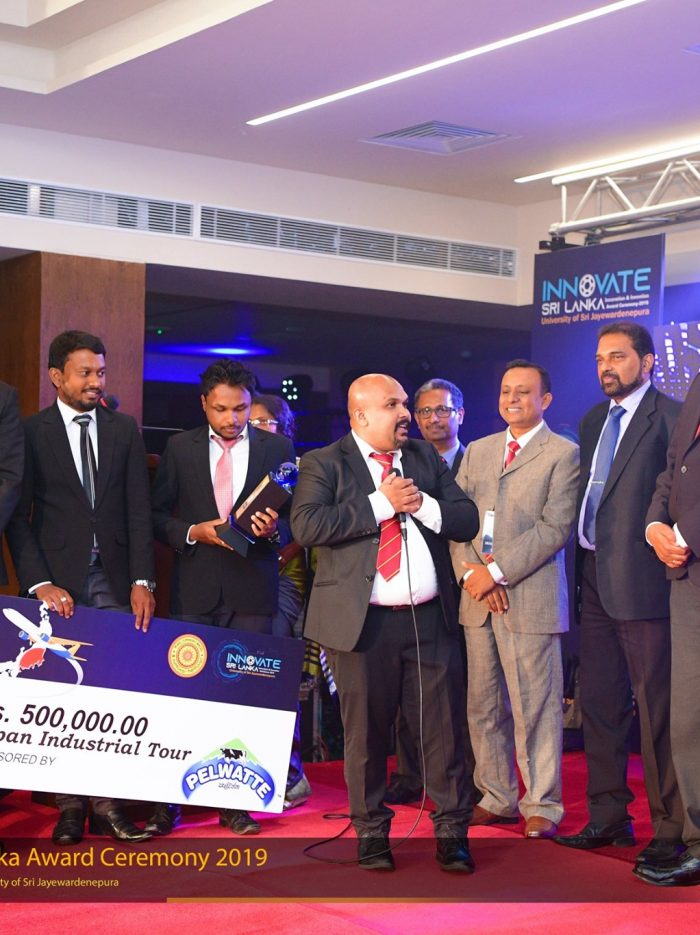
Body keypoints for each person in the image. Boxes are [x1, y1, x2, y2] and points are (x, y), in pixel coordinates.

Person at [291, 373, 479, 872]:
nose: (405, 414)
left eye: (404, 404)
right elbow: (307, 526)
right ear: (360, 415)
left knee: (444, 732)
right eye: (393, 405)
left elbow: (467, 518)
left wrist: (424, 506)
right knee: (367, 736)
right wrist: (382, 504)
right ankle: (372, 834)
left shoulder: (422, 456)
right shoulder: (324, 462)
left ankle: (452, 834)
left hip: (430, 620)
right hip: (362, 626)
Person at [6, 331, 155, 846]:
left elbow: (138, 510)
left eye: (101, 372)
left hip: (116, 579)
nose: (96, 382)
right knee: (64, 697)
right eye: (85, 373)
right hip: (57, 582)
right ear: (57, 377)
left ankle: (109, 807)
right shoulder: (31, 432)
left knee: (114, 692)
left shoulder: (124, 429)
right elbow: (17, 517)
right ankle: (70, 809)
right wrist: (39, 582)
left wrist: (142, 580)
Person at [553, 324, 683, 868]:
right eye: (600, 358)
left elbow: (678, 497)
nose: (606, 366)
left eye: (618, 356)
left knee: (656, 714)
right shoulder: (591, 420)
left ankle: (672, 829)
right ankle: (608, 817)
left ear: (647, 362)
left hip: (645, 584)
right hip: (593, 579)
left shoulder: (672, 417)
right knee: (601, 705)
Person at [151, 361, 294, 836]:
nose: (232, 418)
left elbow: (297, 519)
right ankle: (169, 801)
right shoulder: (179, 447)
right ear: (203, 404)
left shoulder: (278, 448)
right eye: (221, 409)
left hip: (252, 587)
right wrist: (193, 530)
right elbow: (156, 516)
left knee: (244, 698)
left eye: (241, 408)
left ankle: (235, 802)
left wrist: (274, 530)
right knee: (186, 696)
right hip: (194, 586)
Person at [452, 359, 579, 839]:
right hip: (476, 598)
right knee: (483, 705)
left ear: (545, 400)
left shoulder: (563, 454)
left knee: (535, 708)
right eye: (506, 390)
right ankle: (496, 796)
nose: (512, 399)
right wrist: (473, 575)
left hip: (529, 596)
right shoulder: (478, 450)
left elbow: (554, 528)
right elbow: (459, 520)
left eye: (523, 392)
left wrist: (497, 573)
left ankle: (542, 803)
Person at [385, 377, 466, 806]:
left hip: (467, 588)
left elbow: (474, 521)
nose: (434, 419)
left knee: (453, 695)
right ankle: (408, 773)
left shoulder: (476, 460)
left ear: (460, 415)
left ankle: (459, 782)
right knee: (404, 693)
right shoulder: (399, 462)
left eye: (443, 410)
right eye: (425, 411)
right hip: (408, 591)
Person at [635, 370, 700, 887]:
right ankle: (698, 843)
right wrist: (656, 525)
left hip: (689, 550)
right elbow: (673, 466)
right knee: (689, 719)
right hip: (687, 577)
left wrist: (684, 532)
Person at [250, 393, 311, 810]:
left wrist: (282, 551)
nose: (255, 428)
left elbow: (306, 528)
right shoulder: (237, 464)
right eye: (250, 421)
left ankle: (291, 775)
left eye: (264, 422)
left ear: (283, 426)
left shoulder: (297, 469)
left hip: (283, 581)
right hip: (240, 583)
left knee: (275, 673)